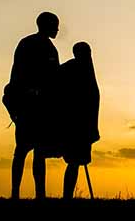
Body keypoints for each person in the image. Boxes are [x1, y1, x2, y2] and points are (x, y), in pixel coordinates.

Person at [4, 12, 60, 200]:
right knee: (22, 151)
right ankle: (16, 194)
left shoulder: (50, 48)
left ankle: (39, 195)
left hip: (42, 108)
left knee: (38, 152)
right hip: (28, 107)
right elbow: (17, 74)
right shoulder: (29, 45)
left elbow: (55, 80)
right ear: (46, 25)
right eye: (55, 25)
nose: (58, 29)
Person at [43, 42, 101, 199]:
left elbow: (93, 99)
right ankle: (65, 196)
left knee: (75, 162)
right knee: (73, 161)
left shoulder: (87, 69)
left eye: (88, 51)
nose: (88, 54)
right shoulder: (70, 67)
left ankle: (67, 196)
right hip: (73, 125)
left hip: (85, 125)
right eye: (85, 51)